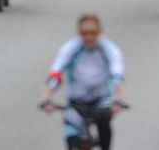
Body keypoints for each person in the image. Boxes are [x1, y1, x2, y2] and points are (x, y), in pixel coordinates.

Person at [42, 14, 127, 150]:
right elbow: (56, 74)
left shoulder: (109, 49)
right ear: (79, 33)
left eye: (92, 33)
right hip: (75, 102)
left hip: (100, 101)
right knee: (71, 139)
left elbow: (117, 77)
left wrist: (119, 100)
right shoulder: (70, 48)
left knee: (104, 119)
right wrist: (46, 98)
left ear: (99, 32)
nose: (88, 37)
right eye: (84, 33)